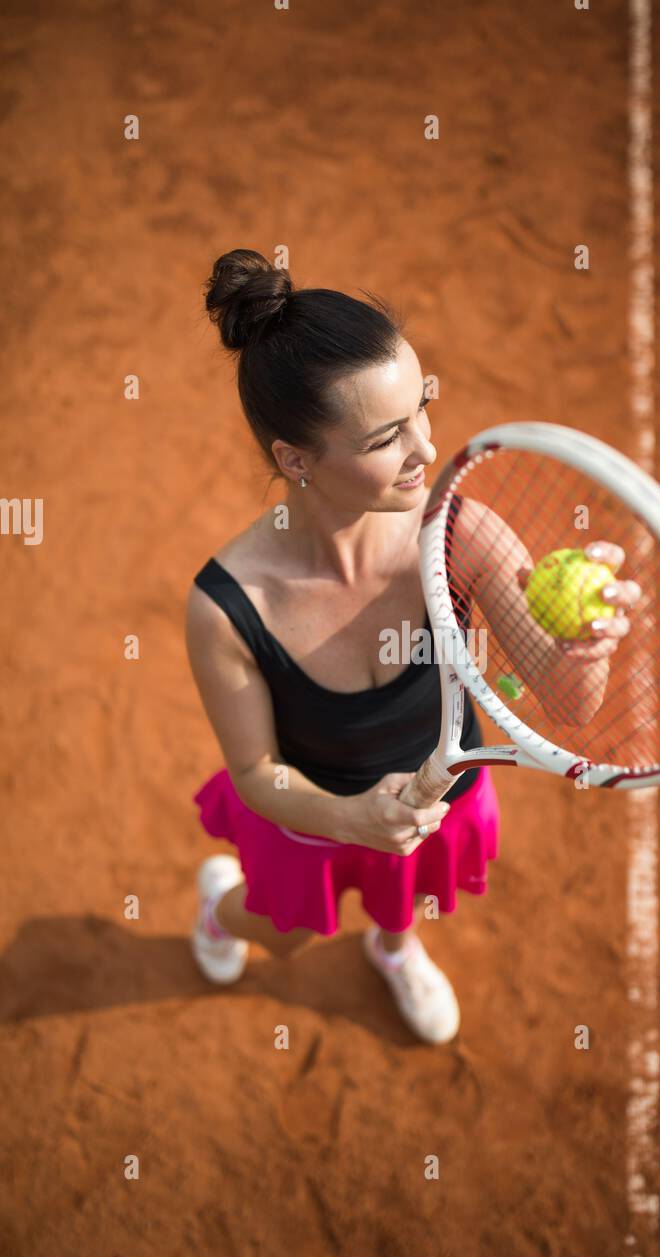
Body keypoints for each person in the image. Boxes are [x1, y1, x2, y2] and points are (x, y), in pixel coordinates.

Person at [184, 250, 500, 1045]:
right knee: (283, 933)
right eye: (387, 437)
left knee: (407, 902)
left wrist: (587, 644)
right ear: (296, 460)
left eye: (422, 409)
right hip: (308, 815)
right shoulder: (226, 606)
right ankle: (220, 913)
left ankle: (394, 950)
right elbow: (256, 773)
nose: (427, 449)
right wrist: (349, 819)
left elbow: (574, 695)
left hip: (437, 798)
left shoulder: (460, 532)